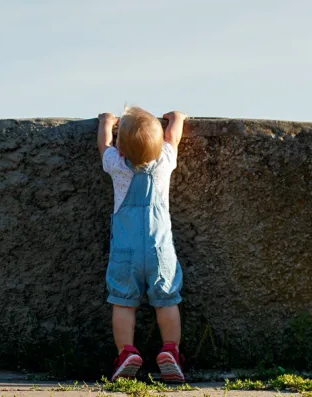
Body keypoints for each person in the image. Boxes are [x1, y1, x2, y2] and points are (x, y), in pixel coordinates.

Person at [97, 106, 188, 382]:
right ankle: (171, 350)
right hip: (160, 252)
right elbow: (173, 138)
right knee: (166, 300)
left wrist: (106, 122)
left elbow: (104, 145)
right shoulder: (164, 161)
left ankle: (126, 353)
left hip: (125, 253)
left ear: (121, 148)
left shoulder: (117, 165)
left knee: (124, 302)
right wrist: (178, 119)